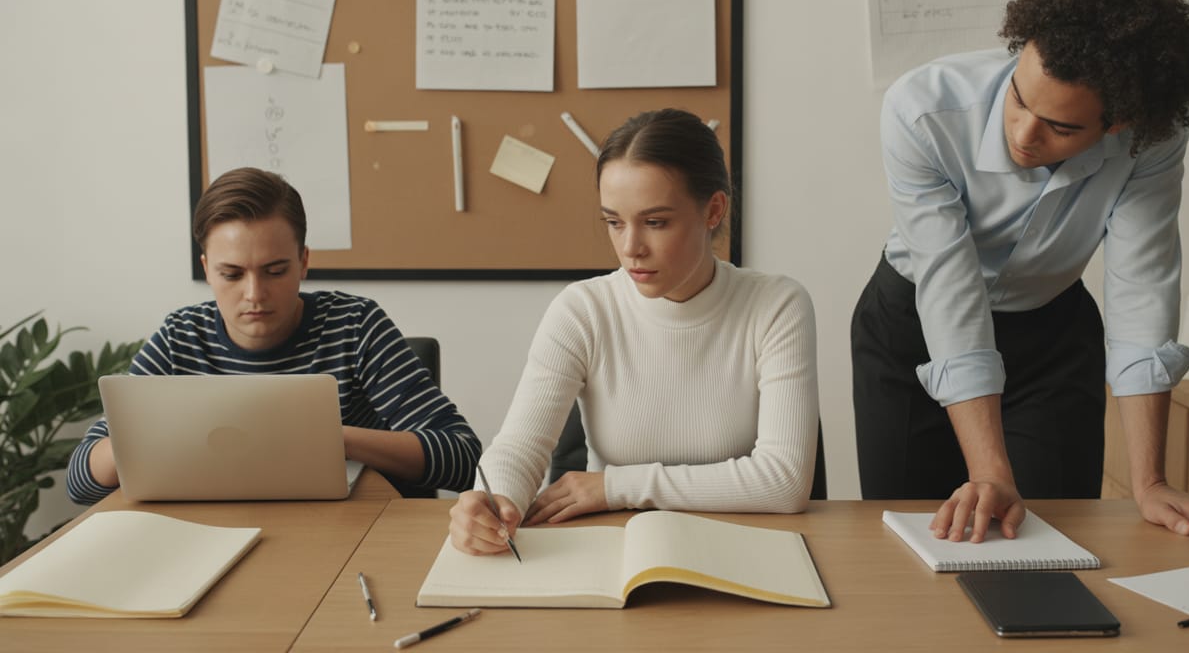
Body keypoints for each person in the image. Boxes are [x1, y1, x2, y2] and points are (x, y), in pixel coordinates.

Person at [851, 0, 1189, 544]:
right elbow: (950, 286)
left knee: (1053, 542)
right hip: (913, 330)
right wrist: (988, 469)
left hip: (1052, 337)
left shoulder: (1151, 138)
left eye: (1059, 127)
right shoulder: (923, 110)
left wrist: (1151, 483)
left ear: (1119, 123)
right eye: (1018, 99)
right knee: (915, 544)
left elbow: (1141, 282)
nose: (1024, 134)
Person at [449, 108, 819, 556]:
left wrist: (615, 486)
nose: (630, 248)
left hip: (747, 548)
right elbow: (519, 447)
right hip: (616, 551)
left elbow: (784, 481)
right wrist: (493, 502)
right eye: (614, 222)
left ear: (713, 210)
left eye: (655, 222)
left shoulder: (777, 306)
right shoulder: (582, 309)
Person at [67, 167, 481, 504]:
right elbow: (82, 481)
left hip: (341, 539)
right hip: (207, 534)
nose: (254, 294)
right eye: (231, 274)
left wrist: (327, 439)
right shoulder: (181, 339)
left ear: (304, 261)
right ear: (207, 268)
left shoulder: (354, 325)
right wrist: (152, 438)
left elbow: (464, 457)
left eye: (275, 271)